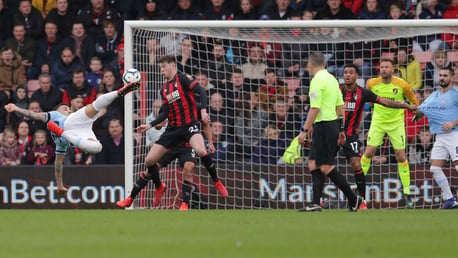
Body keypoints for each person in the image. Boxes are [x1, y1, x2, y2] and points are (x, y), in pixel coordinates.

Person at [119, 55, 228, 209]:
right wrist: (149, 125)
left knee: (201, 151)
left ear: (172, 65)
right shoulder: (164, 89)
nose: (161, 70)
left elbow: (202, 92)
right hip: (172, 132)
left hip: (188, 128)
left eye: (164, 67)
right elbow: (164, 113)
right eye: (160, 68)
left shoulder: (183, 79)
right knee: (149, 161)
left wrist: (203, 112)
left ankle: (216, 182)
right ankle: (157, 187)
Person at [4, 80, 141, 196]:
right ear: (56, 112)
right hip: (72, 130)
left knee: (96, 106)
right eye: (64, 109)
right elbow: (58, 165)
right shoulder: (55, 116)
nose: (67, 110)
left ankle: (120, 91)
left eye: (68, 109)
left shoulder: (69, 121)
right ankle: (64, 132)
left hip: (82, 128)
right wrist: (16, 108)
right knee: (97, 147)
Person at [313, 63, 417, 210]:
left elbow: (386, 102)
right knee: (323, 165)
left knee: (356, 164)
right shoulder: (337, 90)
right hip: (333, 133)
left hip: (350, 136)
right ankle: (319, 200)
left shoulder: (363, 93)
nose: (347, 75)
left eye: (351, 72)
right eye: (345, 72)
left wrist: (406, 106)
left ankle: (360, 201)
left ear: (357, 76)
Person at [298, 52, 363, 212]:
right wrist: (340, 128)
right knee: (313, 163)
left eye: (307, 66)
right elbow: (340, 106)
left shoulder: (316, 81)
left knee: (325, 166)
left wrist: (304, 130)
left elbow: (315, 108)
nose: (307, 69)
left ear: (310, 65)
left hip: (324, 126)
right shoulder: (333, 79)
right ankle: (315, 203)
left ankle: (353, 199)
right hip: (331, 125)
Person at [361, 58, 419, 208]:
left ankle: (407, 191)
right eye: (382, 67)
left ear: (392, 69)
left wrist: (417, 111)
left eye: (387, 67)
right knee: (369, 153)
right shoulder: (372, 84)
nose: (384, 69)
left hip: (396, 124)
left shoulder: (402, 85)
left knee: (401, 156)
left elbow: (414, 102)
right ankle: (358, 186)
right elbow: (367, 101)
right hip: (378, 122)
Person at [412, 66, 458, 209]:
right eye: (441, 75)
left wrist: (453, 123)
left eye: (445, 75)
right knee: (434, 168)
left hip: (454, 134)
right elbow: (421, 110)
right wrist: (414, 113)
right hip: (440, 137)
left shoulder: (455, 94)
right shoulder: (434, 95)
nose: (442, 78)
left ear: (451, 77)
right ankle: (450, 199)